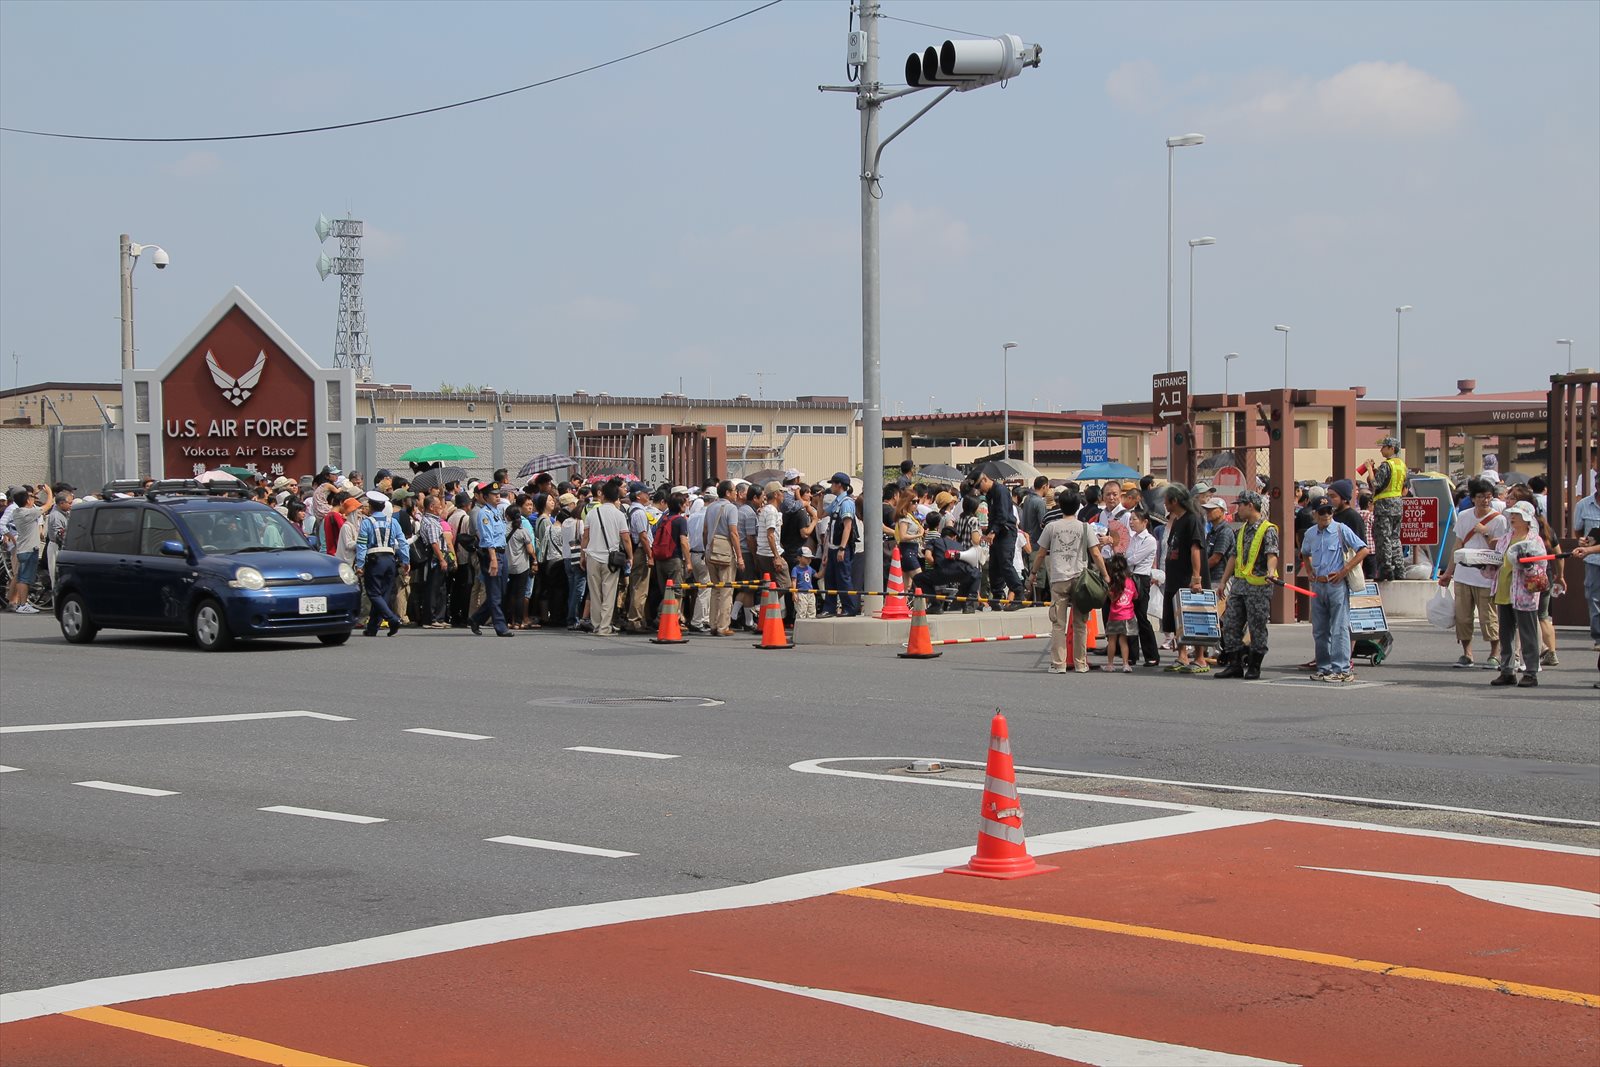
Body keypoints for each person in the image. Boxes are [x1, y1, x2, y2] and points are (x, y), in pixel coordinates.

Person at [1037, 489, 1107, 675]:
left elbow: (1041, 553)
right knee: (1080, 624)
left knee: (1058, 624)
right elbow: (1096, 553)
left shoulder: (1051, 527)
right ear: (1078, 507)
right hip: (1080, 579)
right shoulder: (1085, 527)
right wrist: (1105, 574)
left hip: (1058, 579)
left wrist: (1033, 573)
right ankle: (1080, 663)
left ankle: (1058, 664)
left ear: (1060, 505)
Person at [1438, 478, 1506, 670]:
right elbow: (1457, 544)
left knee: (1488, 617)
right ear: (1473, 498)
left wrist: (1486, 533)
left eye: (1488, 497)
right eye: (1481, 497)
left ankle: (1495, 653)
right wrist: (1448, 572)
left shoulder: (1499, 520)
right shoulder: (1464, 516)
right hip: (1463, 574)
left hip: (1486, 575)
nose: (1485, 500)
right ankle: (1467, 654)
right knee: (1463, 616)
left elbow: (1500, 548)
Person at [1300, 499, 1371, 683]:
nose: (1326, 515)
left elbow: (1363, 550)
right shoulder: (1310, 533)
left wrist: (1344, 571)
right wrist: (1309, 570)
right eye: (1322, 512)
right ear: (1314, 514)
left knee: (1339, 627)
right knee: (1320, 629)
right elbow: (1305, 552)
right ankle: (1324, 667)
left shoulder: (1341, 529)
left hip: (1336, 584)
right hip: (1318, 584)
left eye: (1329, 511)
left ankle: (1342, 669)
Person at [1214, 491, 1280, 680]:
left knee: (1257, 627)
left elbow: (1272, 554)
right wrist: (1224, 581)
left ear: (1250, 505)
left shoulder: (1268, 529)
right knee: (1230, 624)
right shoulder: (1242, 530)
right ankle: (1234, 664)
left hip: (1258, 588)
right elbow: (1233, 557)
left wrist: (1270, 571)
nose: (1238, 509)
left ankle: (1254, 666)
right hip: (1239, 587)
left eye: (1240, 505)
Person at [1489, 502, 1546, 689]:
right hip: (1504, 589)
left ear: (1527, 519)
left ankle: (1530, 672)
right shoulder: (1506, 538)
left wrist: (1528, 565)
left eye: (1518, 515)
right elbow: (1498, 561)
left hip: (1524, 593)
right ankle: (1507, 671)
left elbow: (1541, 567)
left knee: (1528, 633)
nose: (1513, 517)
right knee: (1505, 634)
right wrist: (1485, 564)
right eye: (1512, 514)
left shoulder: (1534, 540)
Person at [1161, 485, 1209, 673]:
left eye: (1166, 500)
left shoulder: (1192, 519)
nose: (1164, 503)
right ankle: (1182, 656)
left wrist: (1196, 578)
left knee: (1194, 617)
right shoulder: (1177, 520)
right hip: (1174, 578)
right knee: (1177, 619)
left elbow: (1195, 548)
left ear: (1175, 501)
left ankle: (1200, 658)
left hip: (1187, 578)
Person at [354, 495, 410, 637]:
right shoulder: (393, 522)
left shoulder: (367, 522)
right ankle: (372, 628)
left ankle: (392, 619)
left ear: (371, 507)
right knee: (384, 594)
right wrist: (405, 560)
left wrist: (360, 564)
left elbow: (361, 545)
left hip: (374, 559)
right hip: (390, 559)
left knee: (373, 593)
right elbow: (402, 542)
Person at [580, 480, 631, 636]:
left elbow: (585, 537)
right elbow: (625, 538)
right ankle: (604, 627)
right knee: (609, 593)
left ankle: (596, 625)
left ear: (602, 495)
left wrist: (583, 555)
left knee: (595, 593)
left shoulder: (592, 514)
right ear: (617, 497)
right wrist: (630, 556)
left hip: (592, 556)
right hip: (610, 559)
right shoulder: (619, 515)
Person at [468, 482, 512, 638]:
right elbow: (487, 538)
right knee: (494, 593)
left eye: (498, 494)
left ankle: (476, 618)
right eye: (494, 494)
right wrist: (493, 559)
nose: (497, 496)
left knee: (501, 591)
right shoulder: (484, 514)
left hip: (502, 553)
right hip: (492, 554)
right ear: (486, 497)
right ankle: (500, 626)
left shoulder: (497, 512)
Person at [978, 471, 1025, 610]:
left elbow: (1003, 515)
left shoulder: (1000, 490)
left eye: (979, 485)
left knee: (1005, 563)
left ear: (985, 479)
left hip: (1006, 531)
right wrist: (988, 532)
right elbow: (993, 516)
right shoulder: (989, 494)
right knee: (994, 566)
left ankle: (1018, 594)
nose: (979, 489)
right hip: (997, 532)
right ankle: (997, 596)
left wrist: (993, 531)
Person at [701, 480, 743, 635]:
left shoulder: (710, 507)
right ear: (727, 492)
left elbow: (705, 531)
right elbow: (733, 533)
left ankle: (712, 624)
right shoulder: (731, 508)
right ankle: (723, 626)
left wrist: (707, 547)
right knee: (726, 590)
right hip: (725, 552)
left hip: (710, 550)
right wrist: (739, 556)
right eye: (734, 490)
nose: (736, 493)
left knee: (715, 589)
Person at [1365, 436, 1409, 580]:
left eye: (1384, 447)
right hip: (1397, 505)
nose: (1381, 450)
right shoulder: (1402, 465)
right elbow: (1404, 487)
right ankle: (1399, 570)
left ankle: (1385, 570)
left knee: (1383, 538)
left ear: (1391, 448)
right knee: (1395, 538)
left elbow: (1376, 484)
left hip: (1384, 507)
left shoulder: (1386, 465)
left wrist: (1369, 470)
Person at [6, 484, 53, 613]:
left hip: (23, 549)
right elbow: (47, 505)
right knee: (25, 579)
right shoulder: (28, 513)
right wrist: (49, 492)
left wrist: (34, 493)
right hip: (28, 550)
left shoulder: (18, 511)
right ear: (27, 501)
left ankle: (22, 604)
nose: (33, 499)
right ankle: (23, 604)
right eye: (30, 498)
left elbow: (33, 505)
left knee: (22, 577)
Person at [916, 521, 981, 613]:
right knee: (976, 574)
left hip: (941, 573)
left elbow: (928, 556)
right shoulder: (959, 545)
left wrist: (935, 565)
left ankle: (935, 605)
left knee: (918, 578)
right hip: (959, 573)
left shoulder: (934, 541)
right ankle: (969, 605)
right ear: (954, 537)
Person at [1125, 508, 1161, 666]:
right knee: (1129, 616)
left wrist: (1125, 557)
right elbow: (1127, 555)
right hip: (1130, 578)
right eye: (1130, 519)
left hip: (1141, 579)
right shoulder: (1133, 538)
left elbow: (1133, 559)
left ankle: (1151, 654)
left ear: (1145, 522)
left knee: (1141, 616)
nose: (1131, 522)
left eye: (1134, 519)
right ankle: (1132, 655)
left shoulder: (1149, 540)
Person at [821, 473, 859, 617]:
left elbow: (847, 527)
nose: (831, 486)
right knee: (830, 579)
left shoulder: (846, 503)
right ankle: (829, 608)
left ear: (839, 485)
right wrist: (820, 500)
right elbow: (821, 515)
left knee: (843, 578)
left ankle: (849, 608)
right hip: (832, 547)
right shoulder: (836, 501)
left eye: (832, 483)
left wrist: (842, 548)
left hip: (841, 548)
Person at [1102, 553, 1136, 673]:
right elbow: (1135, 596)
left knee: (1112, 640)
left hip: (1115, 615)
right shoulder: (1130, 582)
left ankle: (1110, 664)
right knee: (1123, 641)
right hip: (1128, 615)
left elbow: (1111, 598)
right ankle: (1125, 664)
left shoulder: (1112, 583)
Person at [791, 547, 818, 620]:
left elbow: (818, 575)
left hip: (810, 592)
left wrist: (824, 567)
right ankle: (800, 626)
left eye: (810, 558)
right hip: (801, 593)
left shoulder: (810, 568)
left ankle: (810, 625)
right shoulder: (796, 569)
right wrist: (794, 593)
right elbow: (794, 581)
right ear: (799, 558)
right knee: (801, 611)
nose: (809, 560)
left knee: (811, 611)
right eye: (806, 558)